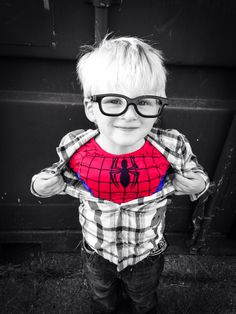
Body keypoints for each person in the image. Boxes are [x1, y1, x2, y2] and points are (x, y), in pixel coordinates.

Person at [31, 35, 209, 314]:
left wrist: (197, 183)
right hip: (96, 250)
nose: (130, 115)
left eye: (145, 101)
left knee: (143, 299)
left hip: (146, 253)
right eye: (114, 101)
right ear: (91, 108)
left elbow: (196, 173)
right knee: (101, 298)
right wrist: (42, 186)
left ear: (158, 106)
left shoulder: (170, 146)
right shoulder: (76, 146)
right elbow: (52, 173)